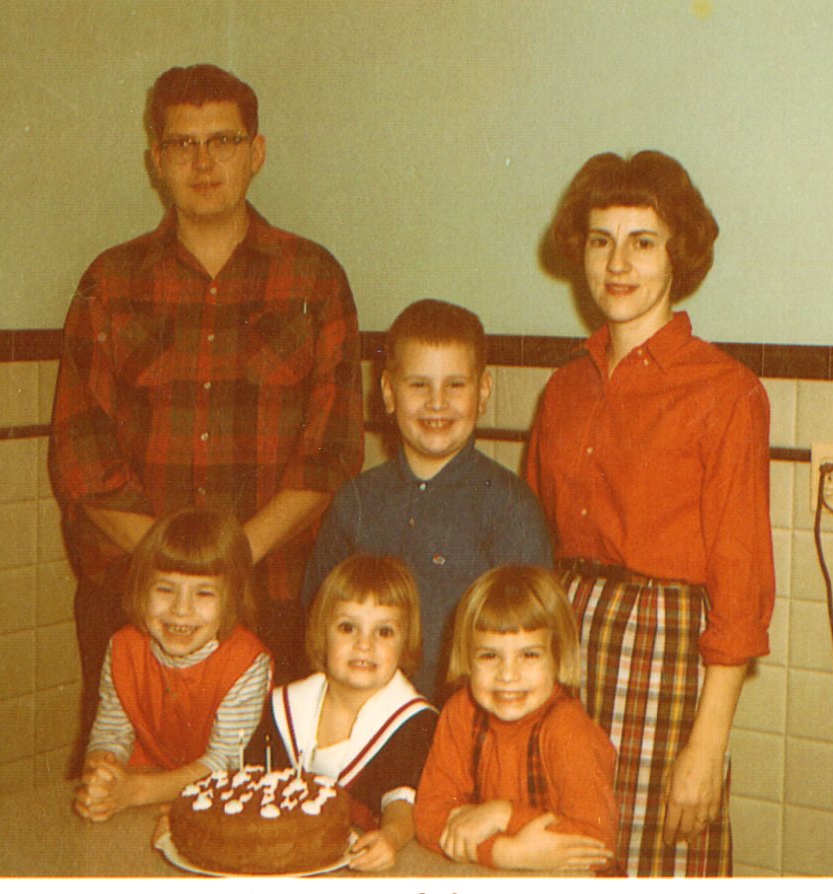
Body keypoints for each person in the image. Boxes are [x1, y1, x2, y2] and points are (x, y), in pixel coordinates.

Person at [48, 63, 364, 766]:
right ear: (155, 161)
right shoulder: (110, 281)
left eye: (222, 140)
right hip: (133, 603)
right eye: (182, 143)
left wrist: (226, 568)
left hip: (275, 600)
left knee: (263, 807)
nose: (203, 160)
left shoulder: (313, 278)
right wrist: (177, 579)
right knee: (120, 801)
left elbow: (332, 454)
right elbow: (82, 459)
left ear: (257, 152)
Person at [525, 150, 775, 876]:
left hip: (664, 651)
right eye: (601, 239)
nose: (618, 263)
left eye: (643, 241)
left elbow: (739, 582)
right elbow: (538, 543)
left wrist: (708, 743)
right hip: (562, 637)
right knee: (562, 850)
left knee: (650, 865)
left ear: (679, 255)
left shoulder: (726, 392)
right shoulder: (564, 390)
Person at [300, 299, 552, 699]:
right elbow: (315, 630)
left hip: (468, 727)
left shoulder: (509, 507)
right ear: (388, 392)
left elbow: (536, 647)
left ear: (483, 391)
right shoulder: (356, 501)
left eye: (455, 385)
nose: (437, 402)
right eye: (419, 385)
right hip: (364, 722)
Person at [413, 564, 620, 873]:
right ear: (466, 658)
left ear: (558, 657)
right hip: (490, 872)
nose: (508, 675)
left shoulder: (567, 728)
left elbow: (599, 843)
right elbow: (428, 817)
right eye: (489, 656)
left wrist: (502, 815)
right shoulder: (461, 712)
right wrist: (502, 852)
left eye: (529, 655)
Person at [73, 507, 270, 822]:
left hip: (215, 803)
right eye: (165, 590)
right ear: (141, 589)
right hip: (137, 794)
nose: (180, 610)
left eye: (203, 593)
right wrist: (101, 777)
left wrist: (135, 791)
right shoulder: (123, 647)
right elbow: (111, 733)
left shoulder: (247, 662)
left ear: (233, 599)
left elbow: (225, 763)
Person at [246, 555, 437, 872]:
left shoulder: (413, 721)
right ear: (322, 633)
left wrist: (389, 837)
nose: (365, 644)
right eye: (348, 628)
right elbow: (249, 782)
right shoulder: (285, 707)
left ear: (406, 644)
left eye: (385, 632)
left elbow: (402, 802)